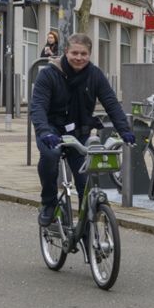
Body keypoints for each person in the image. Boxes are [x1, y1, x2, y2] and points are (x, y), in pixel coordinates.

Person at [30, 33, 135, 227]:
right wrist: (44, 132)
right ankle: (49, 204)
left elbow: (111, 103)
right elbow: (37, 107)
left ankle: (87, 224)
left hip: (79, 132)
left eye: (84, 54)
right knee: (50, 156)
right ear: (66, 52)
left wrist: (124, 130)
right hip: (51, 130)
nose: (79, 58)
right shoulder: (49, 74)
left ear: (90, 54)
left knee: (84, 180)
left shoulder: (95, 75)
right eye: (75, 53)